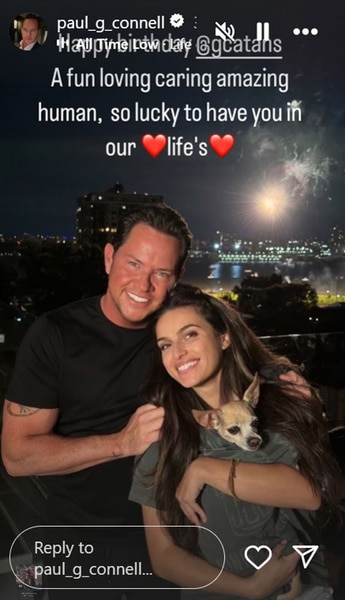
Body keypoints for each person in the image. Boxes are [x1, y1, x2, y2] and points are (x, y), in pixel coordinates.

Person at [1, 204, 312, 599]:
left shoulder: (173, 328)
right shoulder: (54, 335)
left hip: (177, 531)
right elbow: (17, 456)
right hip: (80, 536)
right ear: (109, 257)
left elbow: (227, 344)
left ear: (176, 277)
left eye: (160, 273)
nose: (143, 284)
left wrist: (277, 376)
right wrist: (121, 443)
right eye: (133, 263)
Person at [129, 283, 341, 600]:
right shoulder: (162, 436)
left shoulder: (280, 403)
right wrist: (248, 589)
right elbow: (164, 557)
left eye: (190, 334)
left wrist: (203, 469)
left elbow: (311, 494)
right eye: (165, 344)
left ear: (223, 336)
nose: (178, 352)